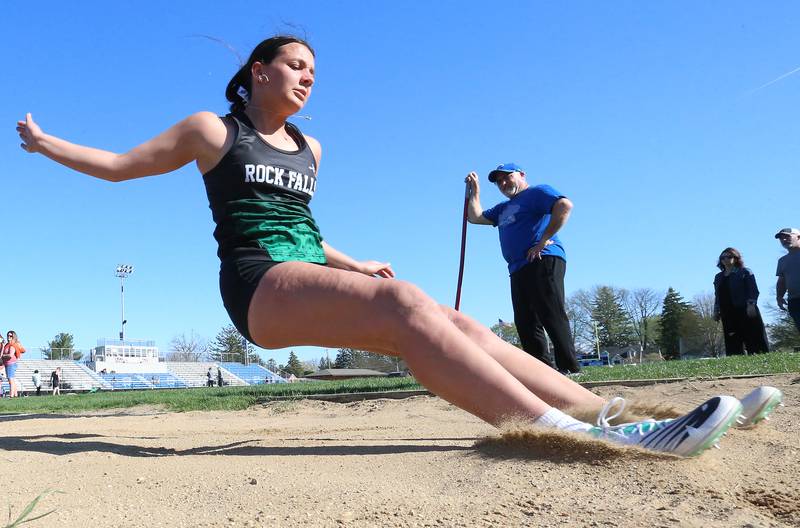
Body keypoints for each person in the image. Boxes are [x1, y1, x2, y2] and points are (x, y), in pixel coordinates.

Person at [16, 34, 766, 456]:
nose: (308, 78)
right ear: (257, 71)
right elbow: (119, 168)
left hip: (305, 269)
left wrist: (354, 264)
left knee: (459, 322)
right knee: (411, 305)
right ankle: (568, 434)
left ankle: (607, 414)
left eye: (315, 71)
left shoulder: (314, 147)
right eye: (296, 65)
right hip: (256, 284)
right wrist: (48, 144)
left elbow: (307, 231)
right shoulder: (214, 130)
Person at [465, 165, 580, 374]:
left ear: (521, 175)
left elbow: (564, 205)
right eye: (498, 181)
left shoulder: (536, 192)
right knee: (526, 322)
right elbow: (475, 217)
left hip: (542, 258)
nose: (503, 183)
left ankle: (571, 369)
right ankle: (543, 373)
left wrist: (543, 240)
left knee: (550, 312)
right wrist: (475, 191)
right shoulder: (502, 209)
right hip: (518, 267)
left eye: (507, 177)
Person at [713, 248, 769, 355]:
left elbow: (753, 290)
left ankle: (760, 358)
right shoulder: (719, 277)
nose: (725, 259)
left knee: (753, 337)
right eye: (723, 257)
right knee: (732, 341)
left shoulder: (744, 272)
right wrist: (716, 311)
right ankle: (736, 360)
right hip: (727, 312)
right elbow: (717, 295)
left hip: (745, 309)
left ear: (736, 258)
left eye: (729, 257)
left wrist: (751, 305)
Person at [775, 227, 800, 332]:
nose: (784, 240)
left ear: (798, 237)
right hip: (794, 301)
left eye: (787, 237)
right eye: (781, 238)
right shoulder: (782, 261)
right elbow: (782, 281)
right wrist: (779, 297)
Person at [1, 330, 26, 397]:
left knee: (11, 380)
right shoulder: (7, 345)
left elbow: (10, 355)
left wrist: (3, 356)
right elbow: (1, 354)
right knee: (11, 380)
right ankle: (15, 395)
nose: (9, 337)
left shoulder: (12, 345)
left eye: (10, 336)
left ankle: (11, 395)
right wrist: (3, 346)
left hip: (11, 364)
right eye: (8, 335)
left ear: (13, 337)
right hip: (7, 364)